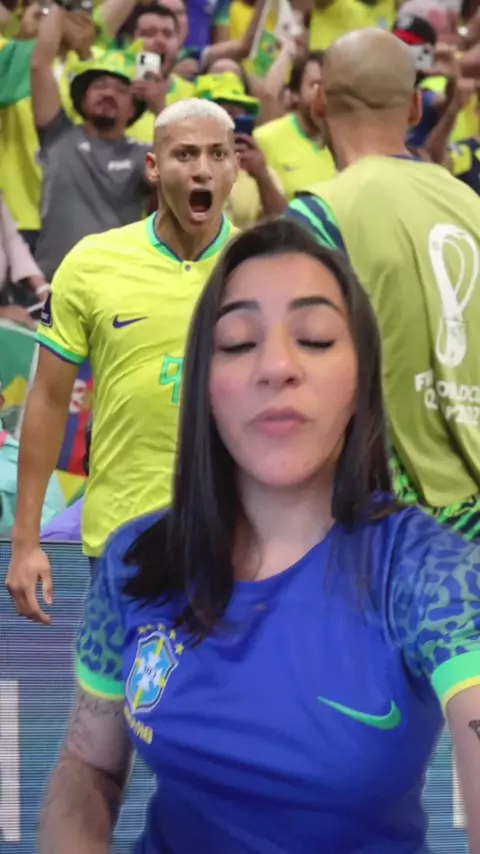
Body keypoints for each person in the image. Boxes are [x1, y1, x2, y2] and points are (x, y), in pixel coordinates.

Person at [39, 219, 480, 854]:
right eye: (239, 343)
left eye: (315, 338)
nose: (276, 366)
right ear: (203, 387)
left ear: (361, 380)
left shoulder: (431, 576)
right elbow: (89, 764)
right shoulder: (135, 562)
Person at [5, 98, 238, 624]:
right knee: (123, 682)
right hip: (122, 537)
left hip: (238, 541)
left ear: (236, 167)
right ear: (152, 167)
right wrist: (26, 541)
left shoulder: (262, 266)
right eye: (184, 154)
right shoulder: (92, 263)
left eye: (217, 154)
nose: (202, 169)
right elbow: (48, 399)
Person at [287, 28, 480, 539]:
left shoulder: (318, 217)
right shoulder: (471, 205)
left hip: (391, 529)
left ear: (320, 103)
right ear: (415, 108)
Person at [31, 3, 152, 281]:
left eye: (121, 90)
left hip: (112, 287)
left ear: (133, 109)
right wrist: (57, 9)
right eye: (99, 86)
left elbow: (178, 178)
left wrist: (160, 105)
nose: (109, 93)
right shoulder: (57, 135)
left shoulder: (144, 156)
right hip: (49, 284)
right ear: (81, 98)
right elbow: (39, 66)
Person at [196, 71, 286, 228]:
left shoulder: (260, 170)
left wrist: (262, 177)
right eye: (220, 114)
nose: (228, 124)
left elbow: (281, 227)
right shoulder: (183, 165)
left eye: (236, 115)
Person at [254, 51, 336, 200]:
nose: (323, 96)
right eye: (315, 85)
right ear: (294, 94)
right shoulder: (264, 139)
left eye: (329, 86)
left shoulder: (346, 141)